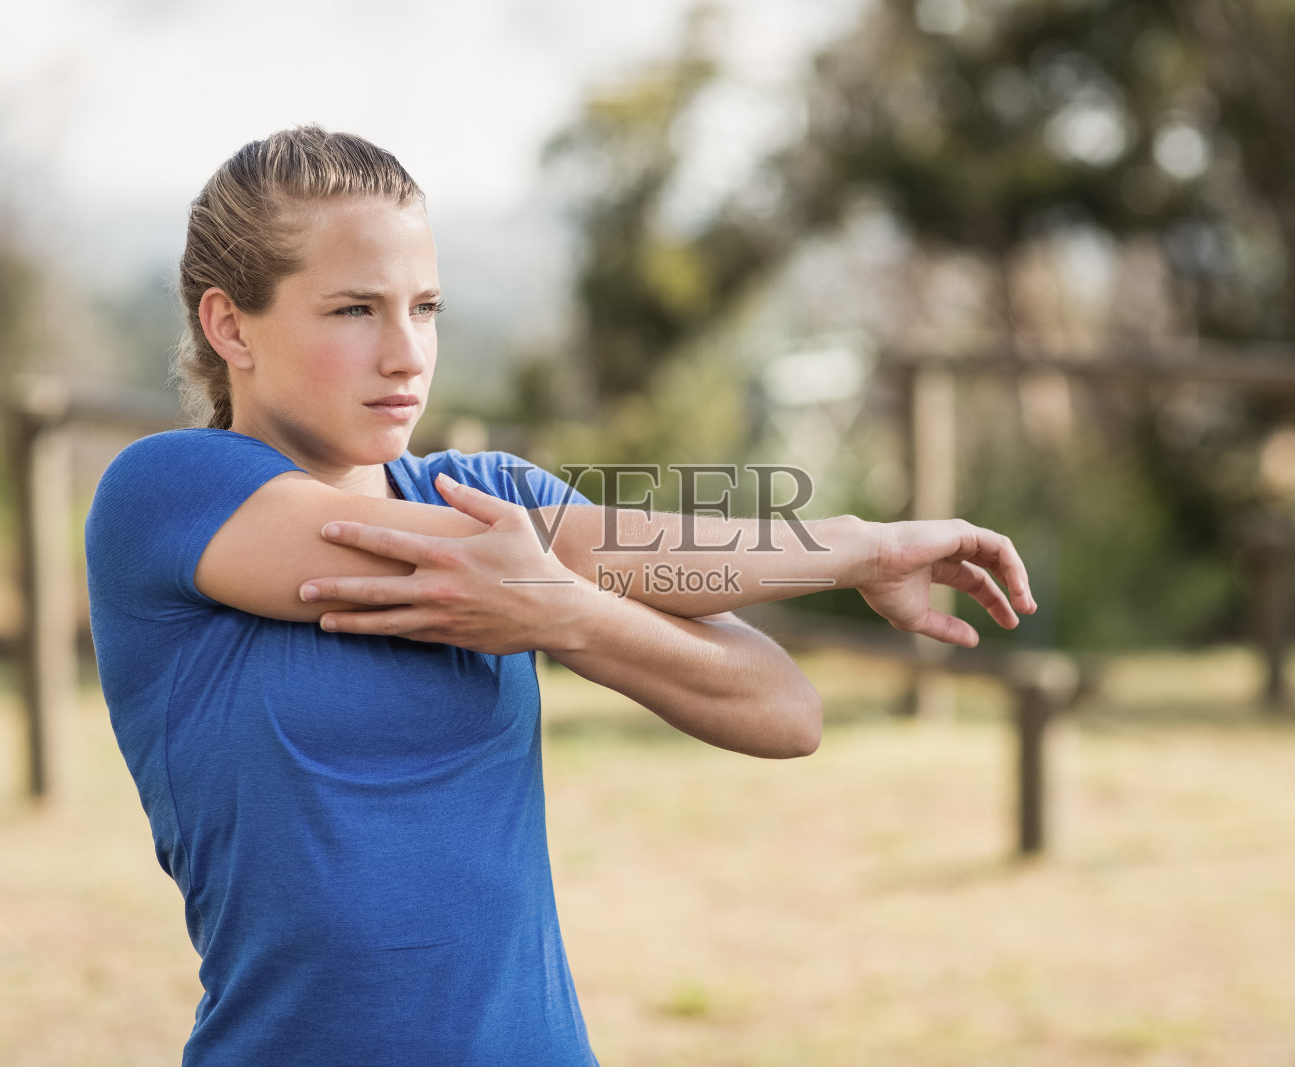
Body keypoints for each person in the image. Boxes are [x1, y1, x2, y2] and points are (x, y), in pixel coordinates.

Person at [85, 126, 1035, 1066]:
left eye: (426, 306)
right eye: (353, 310)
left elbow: (784, 708)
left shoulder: (494, 497)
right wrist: (846, 552)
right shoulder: (167, 497)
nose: (407, 354)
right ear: (228, 325)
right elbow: (594, 556)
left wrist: (571, 613)